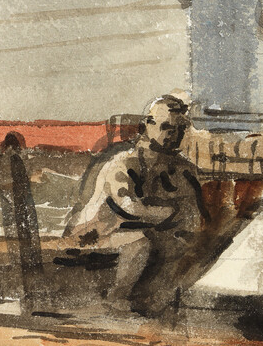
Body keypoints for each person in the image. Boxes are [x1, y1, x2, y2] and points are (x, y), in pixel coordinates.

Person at [64, 94, 207, 316]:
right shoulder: (125, 162)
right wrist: (170, 212)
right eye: (167, 127)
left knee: (179, 242)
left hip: (137, 233)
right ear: (146, 126)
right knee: (139, 243)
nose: (174, 135)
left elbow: (193, 211)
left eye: (180, 129)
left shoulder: (182, 169)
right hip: (95, 234)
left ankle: (153, 300)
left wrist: (184, 221)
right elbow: (128, 206)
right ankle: (117, 297)